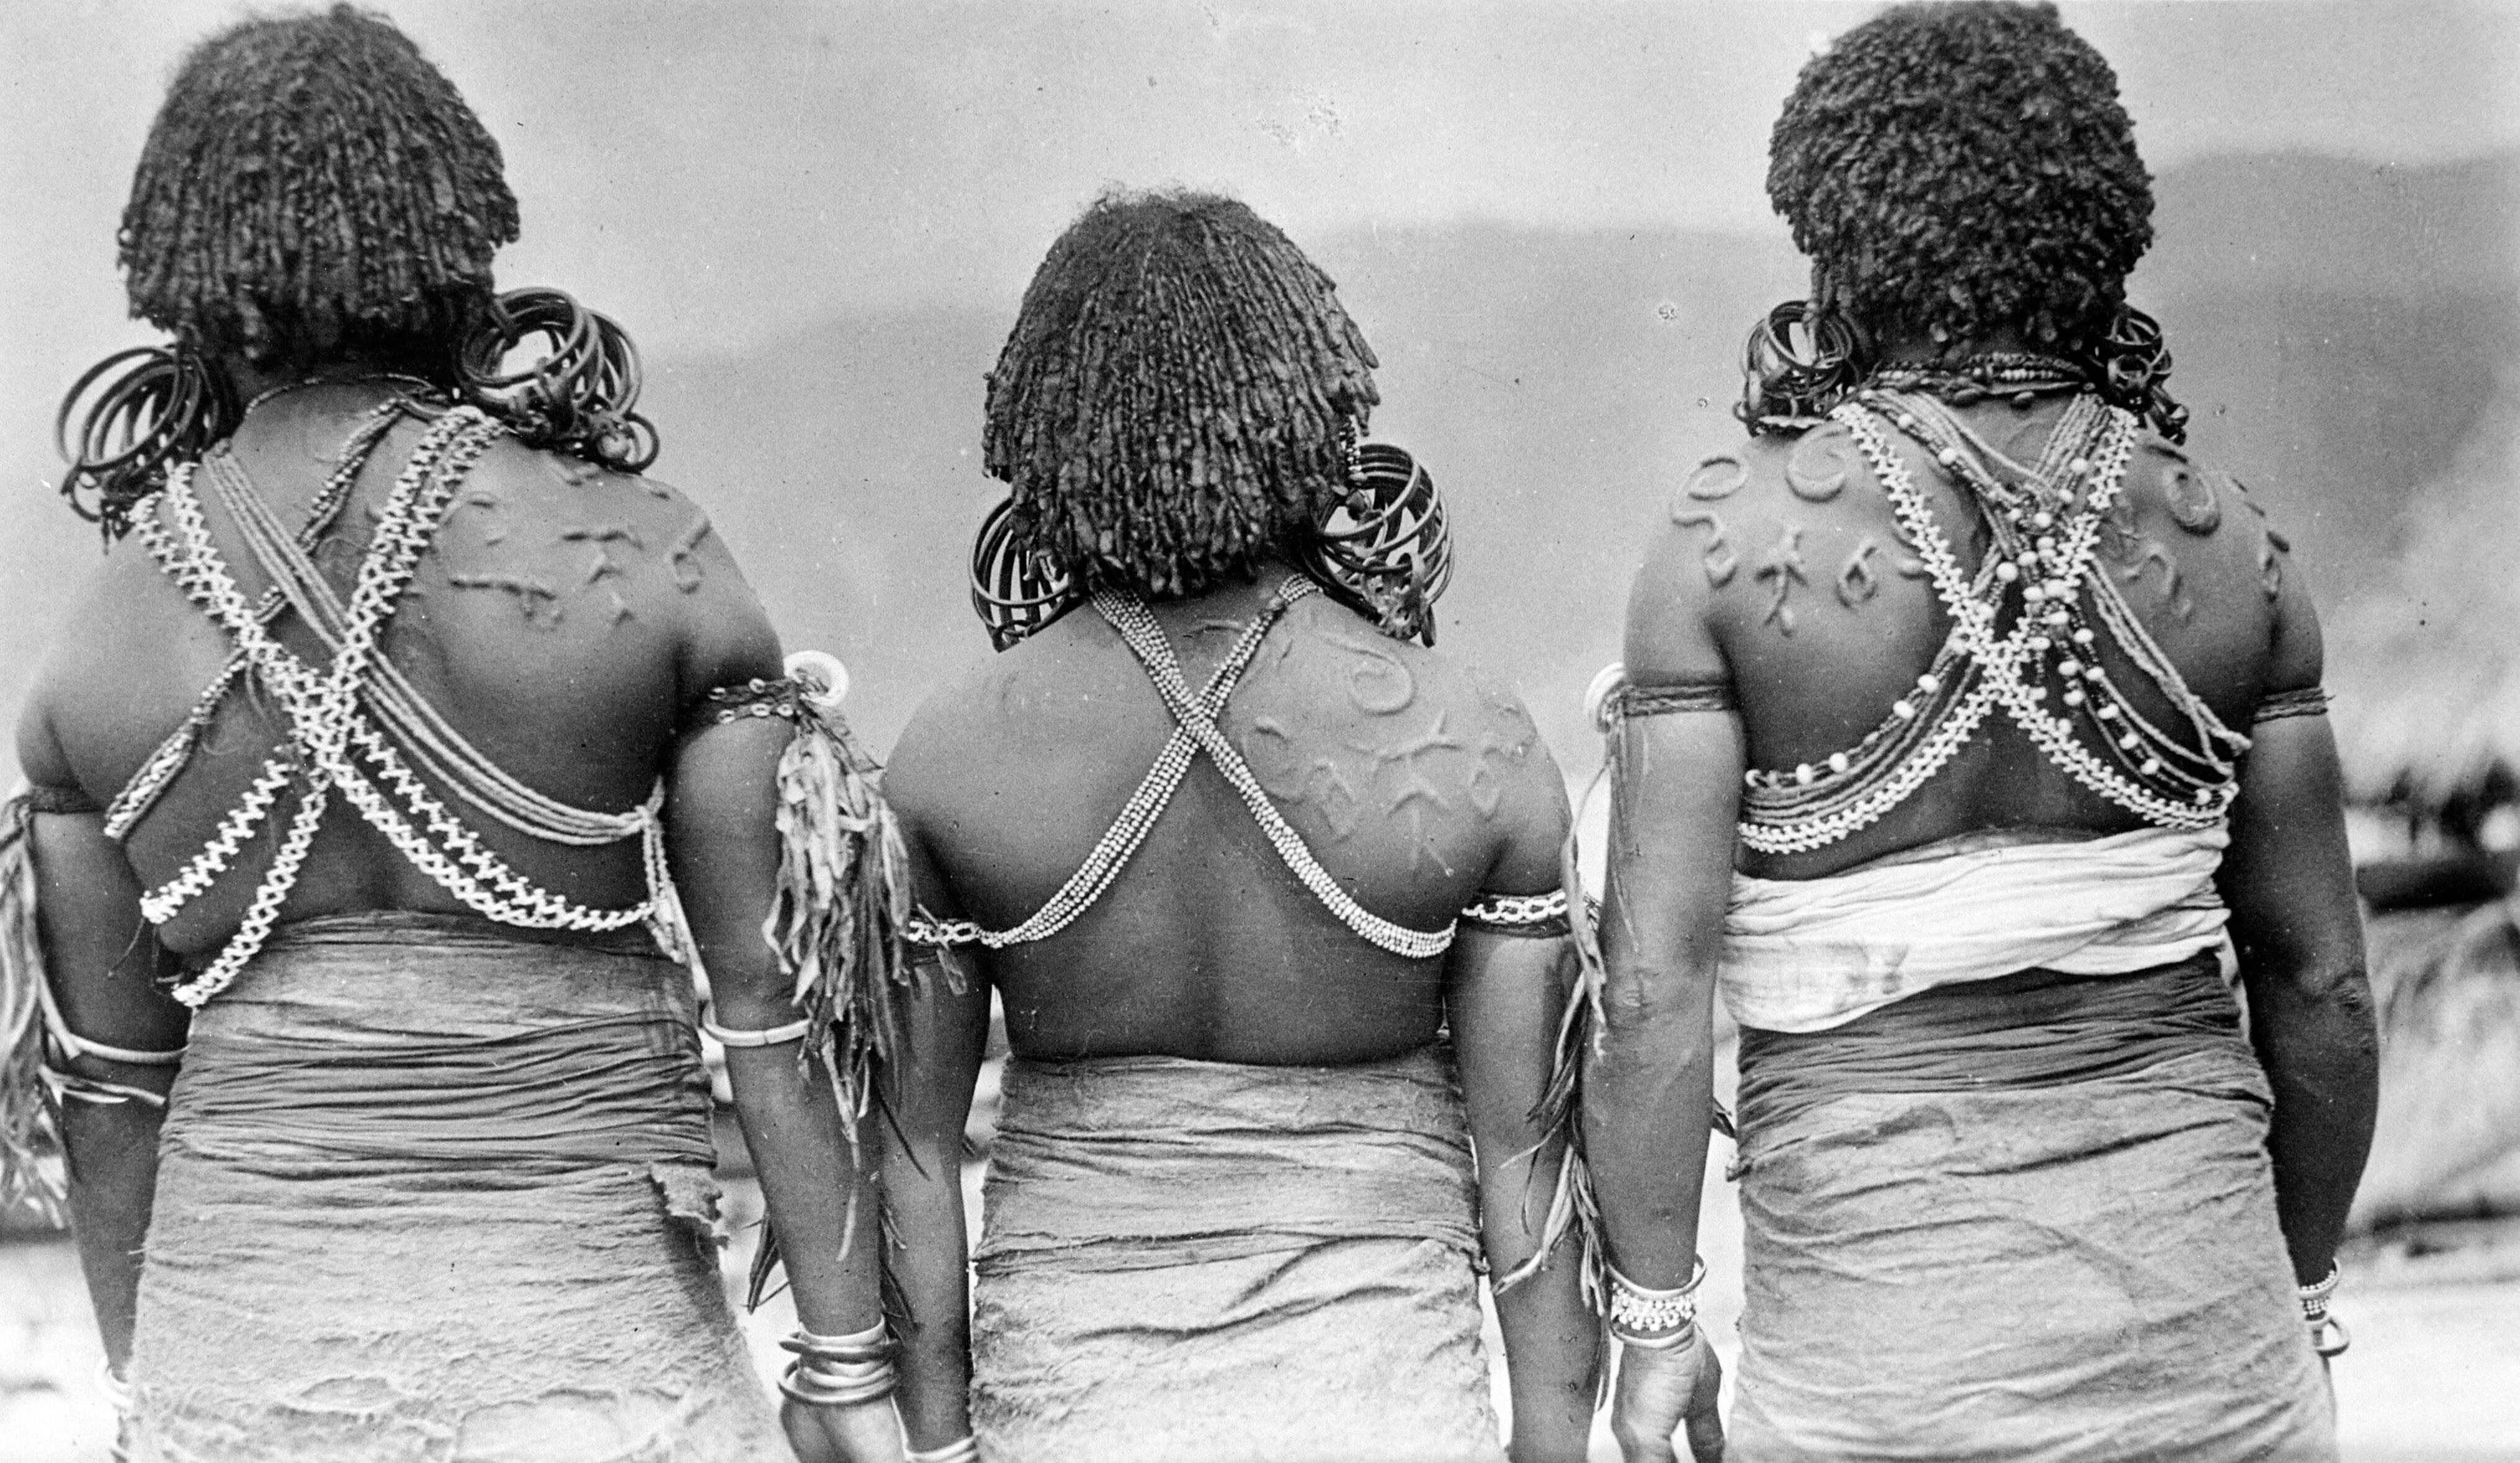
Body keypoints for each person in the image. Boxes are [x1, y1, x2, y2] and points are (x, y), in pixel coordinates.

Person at [0, 9, 911, 1460]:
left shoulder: (97, 646)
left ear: (182, 276)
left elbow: (110, 1103)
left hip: (246, 1393)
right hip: (605, 1390)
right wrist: (850, 1372)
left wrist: (150, 1402)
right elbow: (774, 1011)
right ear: (457, 234)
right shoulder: (640, 555)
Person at [1583, 5, 2379, 1460]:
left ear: (1838, 231)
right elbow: (2322, 982)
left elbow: (1652, 993)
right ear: (2100, 233)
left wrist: (1653, 1330)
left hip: (1873, 1382)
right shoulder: (2239, 555)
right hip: (2209, 1358)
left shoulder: (1722, 552)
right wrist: (2302, 1299)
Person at [873, 190, 1602, 1463]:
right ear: (1320, 407)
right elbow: (1523, 1156)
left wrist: (936, 1449)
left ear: (1042, 429)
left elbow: (917, 1165)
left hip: (1076, 1419)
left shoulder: (954, 753)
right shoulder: (1473, 738)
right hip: (1385, 1416)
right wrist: (1550, 1442)